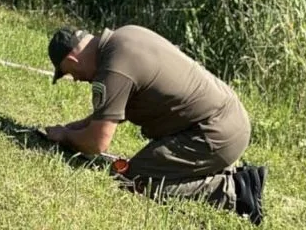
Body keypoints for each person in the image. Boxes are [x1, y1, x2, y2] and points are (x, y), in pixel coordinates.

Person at [45, 25, 266, 225]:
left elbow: (97, 143)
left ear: (73, 61)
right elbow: (105, 116)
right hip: (229, 121)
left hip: (213, 132)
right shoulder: (125, 36)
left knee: (135, 178)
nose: (75, 79)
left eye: (69, 73)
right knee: (142, 170)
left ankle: (232, 191)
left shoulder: (113, 70)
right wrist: (73, 128)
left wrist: (64, 136)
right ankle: (214, 166)